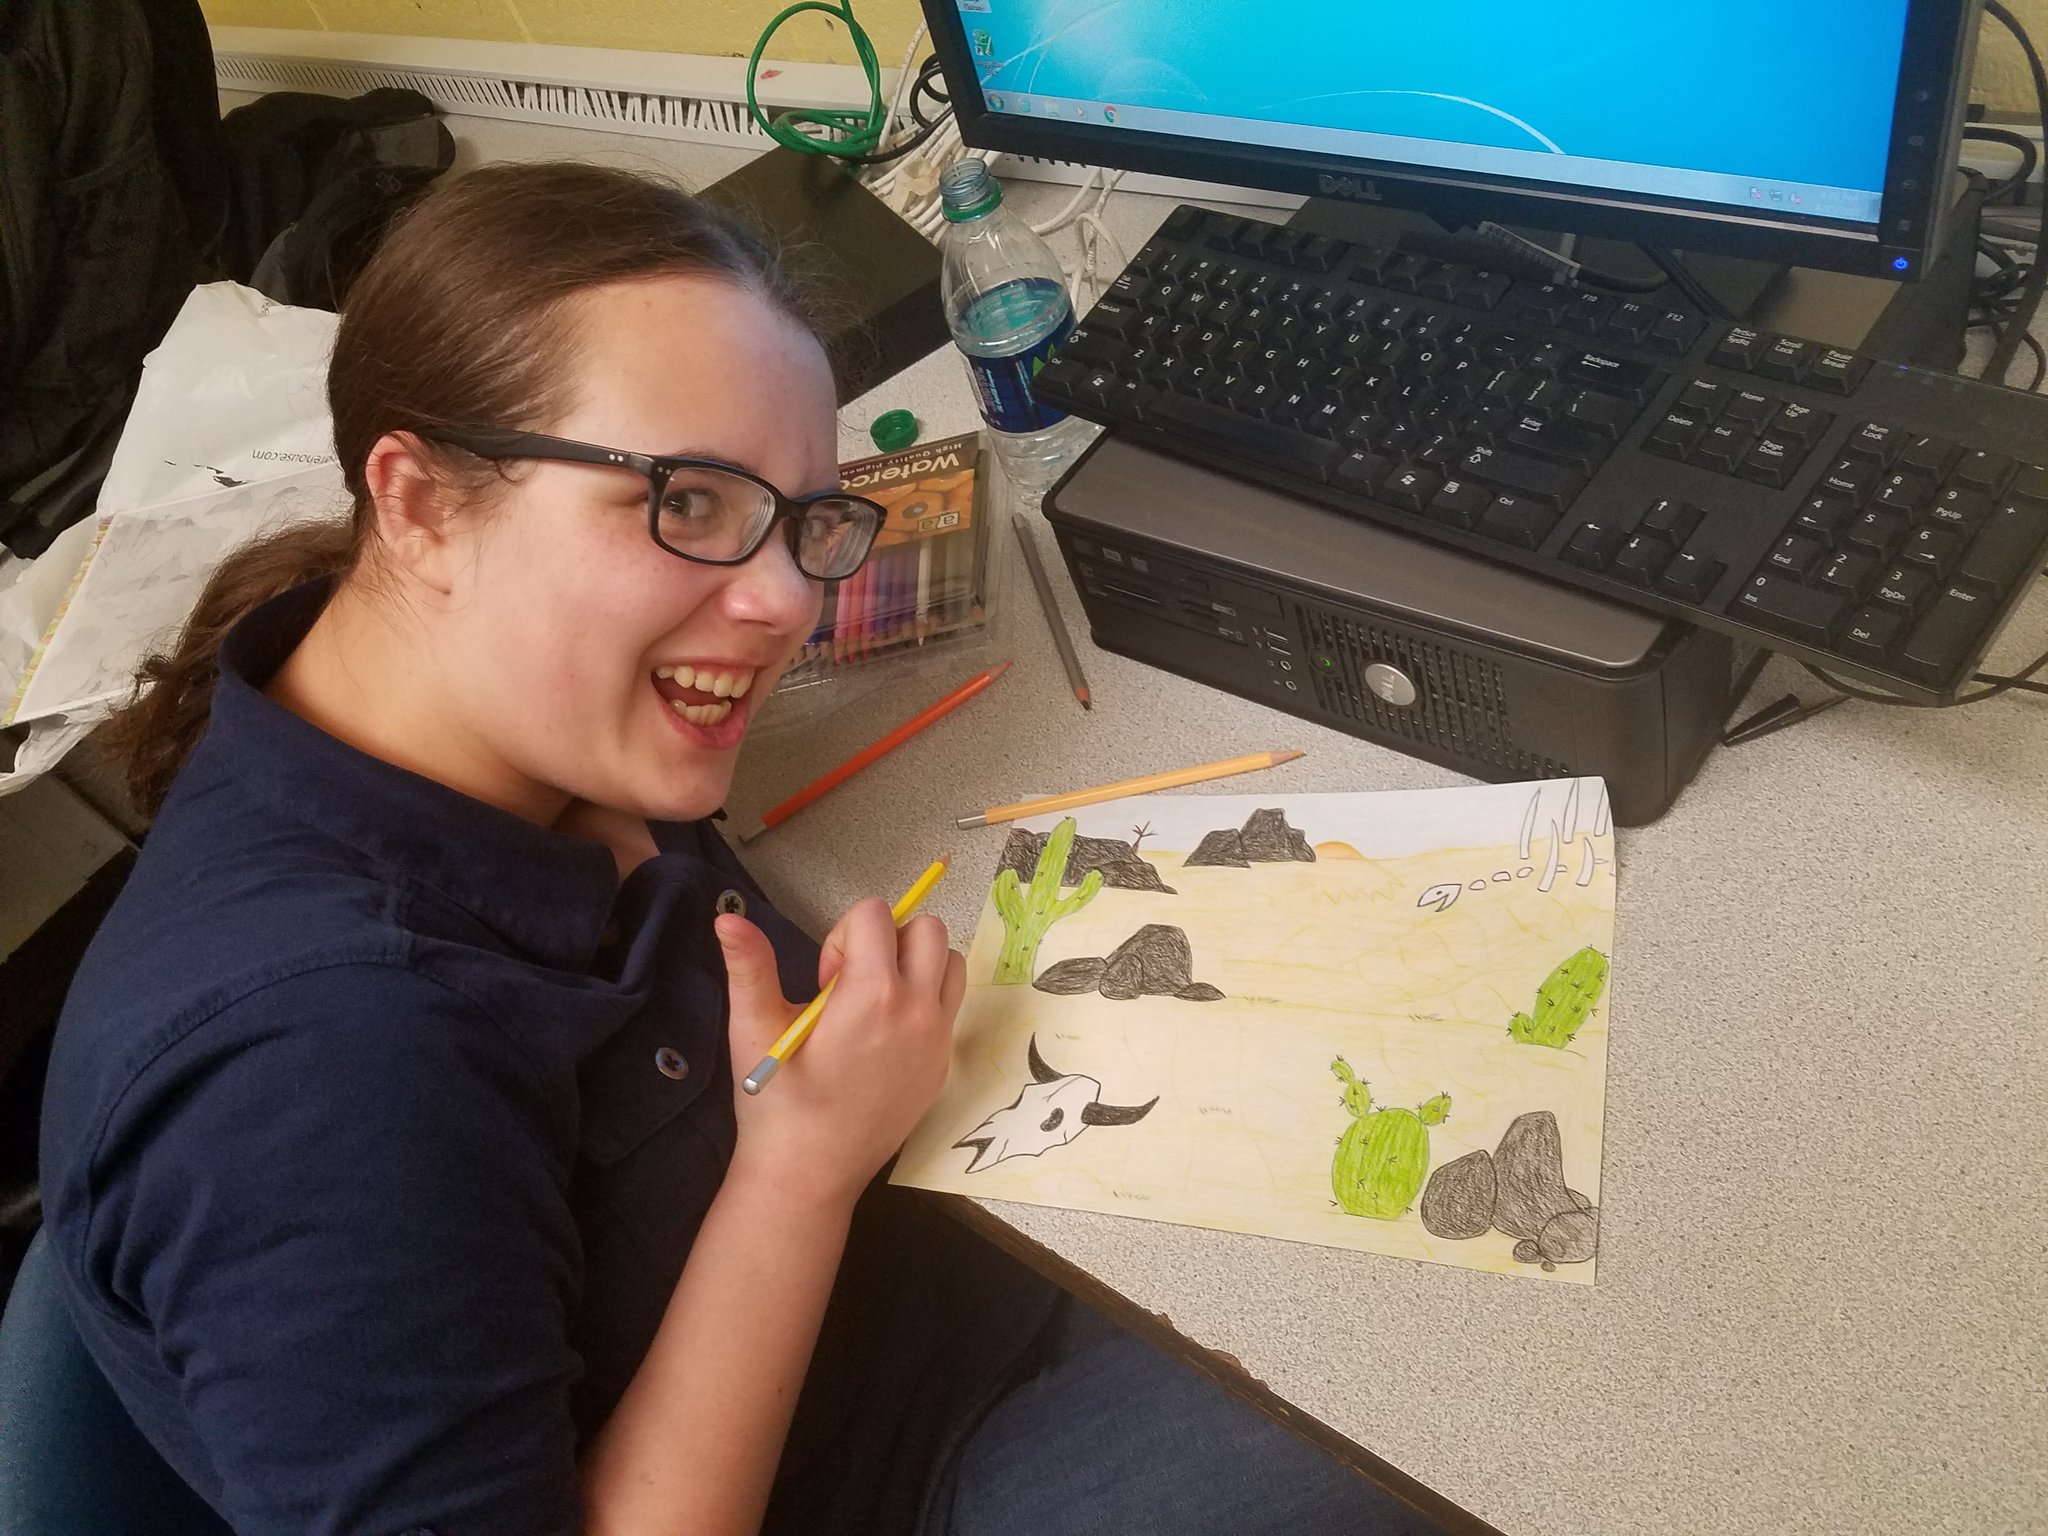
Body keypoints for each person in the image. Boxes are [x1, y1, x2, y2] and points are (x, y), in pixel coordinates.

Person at [37, 162, 1435, 1536]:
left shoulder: (494, 714)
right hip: (916, 1467)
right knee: (1469, 1410)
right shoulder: (319, 1080)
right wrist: (798, 1170)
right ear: (417, 505)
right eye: (687, 501)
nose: (784, 605)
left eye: (806, 520)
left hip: (951, 1264)